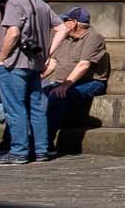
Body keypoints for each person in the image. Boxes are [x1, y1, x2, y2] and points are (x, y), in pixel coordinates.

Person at [0, 0, 60, 165]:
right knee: (36, 108)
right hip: (35, 65)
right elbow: (62, 28)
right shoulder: (42, 4)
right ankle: (41, 150)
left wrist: (1, 57)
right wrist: (48, 53)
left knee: (15, 108)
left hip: (14, 64)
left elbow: (13, 32)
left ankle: (19, 151)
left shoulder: (14, 3)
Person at [41, 8, 110, 153]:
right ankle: (24, 140)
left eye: (64, 21)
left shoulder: (94, 37)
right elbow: (53, 62)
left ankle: (45, 144)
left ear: (73, 23)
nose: (61, 24)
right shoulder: (64, 37)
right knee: (37, 94)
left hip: (90, 82)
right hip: (62, 81)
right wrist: (37, 78)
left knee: (57, 96)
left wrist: (65, 85)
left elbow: (84, 65)